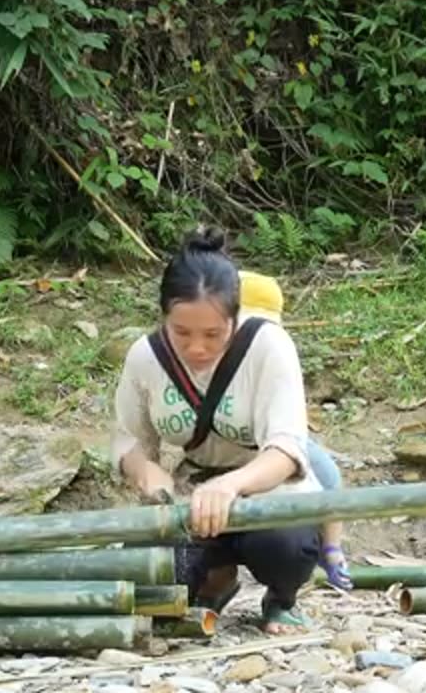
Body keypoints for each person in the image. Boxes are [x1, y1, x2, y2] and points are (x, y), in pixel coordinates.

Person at [109, 227, 322, 634]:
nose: (197, 349)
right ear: (164, 318)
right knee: (146, 575)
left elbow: (286, 448)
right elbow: (129, 441)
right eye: (182, 334)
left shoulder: (270, 347)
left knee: (285, 545)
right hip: (194, 498)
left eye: (213, 334)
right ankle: (217, 578)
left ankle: (281, 598)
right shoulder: (145, 357)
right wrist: (148, 474)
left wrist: (231, 486)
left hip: (267, 491)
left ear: (235, 318)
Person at [237, 270, 353, 591]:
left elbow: (328, 479)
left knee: (324, 474)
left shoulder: (272, 357)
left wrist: (332, 549)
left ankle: (313, 568)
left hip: (270, 447)